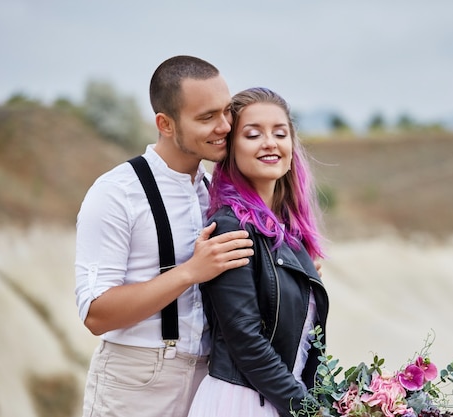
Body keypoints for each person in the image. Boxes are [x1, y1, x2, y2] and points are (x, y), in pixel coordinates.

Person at [74, 55, 255, 417]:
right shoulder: (116, 193)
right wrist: (190, 271)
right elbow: (96, 313)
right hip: (136, 380)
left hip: (211, 380)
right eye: (206, 117)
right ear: (165, 124)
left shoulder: (218, 192)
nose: (224, 126)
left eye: (226, 111)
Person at [187, 87, 330, 417]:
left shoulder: (288, 233)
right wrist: (308, 409)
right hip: (241, 402)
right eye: (253, 135)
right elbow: (246, 342)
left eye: (280, 133)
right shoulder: (231, 228)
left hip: (277, 398)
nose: (270, 143)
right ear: (230, 148)